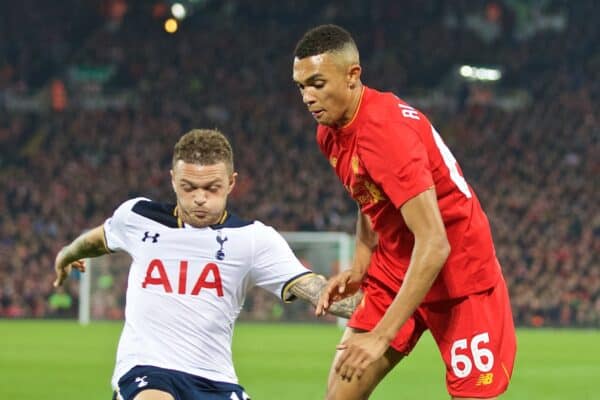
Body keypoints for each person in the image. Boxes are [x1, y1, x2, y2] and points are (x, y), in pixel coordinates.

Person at [292, 25, 516, 399]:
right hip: (398, 266)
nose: (307, 97)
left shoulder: (385, 133)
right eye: (301, 87)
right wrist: (361, 268)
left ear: (353, 76)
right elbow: (368, 197)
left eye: (317, 83)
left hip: (460, 276)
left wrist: (381, 336)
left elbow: (435, 243)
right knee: (340, 394)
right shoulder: (330, 132)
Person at [53, 128, 361, 400]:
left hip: (215, 381)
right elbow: (98, 238)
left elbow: (314, 288)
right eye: (189, 187)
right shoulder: (137, 217)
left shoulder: (253, 239)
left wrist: (388, 304)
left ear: (231, 183)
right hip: (146, 371)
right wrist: (66, 254)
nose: (200, 198)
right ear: (173, 180)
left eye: (211, 188)